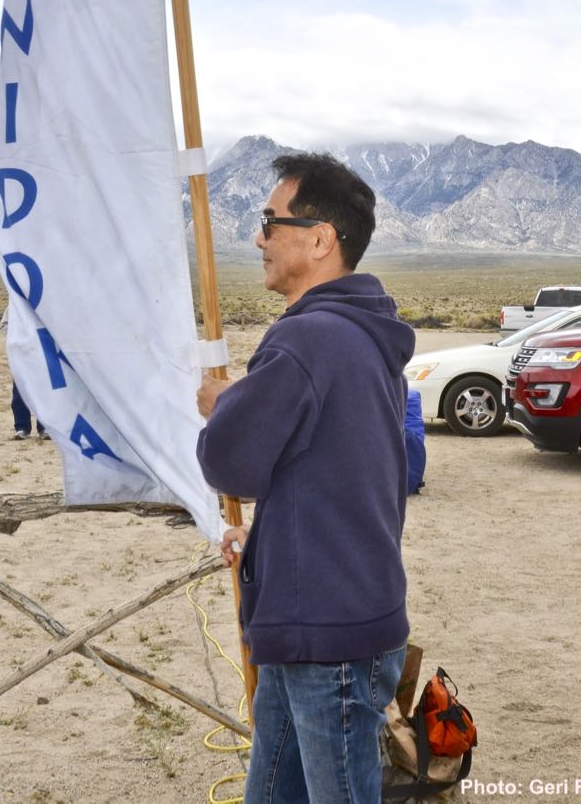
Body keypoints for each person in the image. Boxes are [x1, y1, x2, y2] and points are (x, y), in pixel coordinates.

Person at [196, 152, 415, 803]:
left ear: (321, 240)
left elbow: (229, 464)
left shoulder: (308, 340)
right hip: (325, 617)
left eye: (271, 221)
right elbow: (329, 475)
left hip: (327, 636)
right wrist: (265, 544)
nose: (258, 238)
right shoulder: (363, 334)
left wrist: (223, 407)